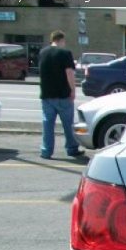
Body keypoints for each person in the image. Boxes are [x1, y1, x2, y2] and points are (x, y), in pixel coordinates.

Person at [38, 30, 83, 159]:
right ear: (61, 40)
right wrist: (73, 90)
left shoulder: (43, 53)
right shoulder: (65, 53)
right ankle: (71, 148)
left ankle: (46, 151)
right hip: (63, 94)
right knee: (68, 124)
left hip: (46, 94)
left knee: (47, 124)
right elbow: (69, 73)